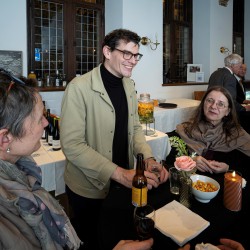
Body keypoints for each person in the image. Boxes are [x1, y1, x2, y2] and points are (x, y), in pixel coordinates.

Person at [60, 28, 168, 249]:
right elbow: (72, 145)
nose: (133, 61)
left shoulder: (129, 84)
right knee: (91, 240)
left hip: (122, 184)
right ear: (107, 52)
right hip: (89, 188)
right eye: (126, 54)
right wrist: (121, 174)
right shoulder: (78, 88)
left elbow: (135, 127)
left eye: (136, 55)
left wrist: (147, 158)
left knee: (116, 236)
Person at [0, 70, 82, 249]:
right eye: (39, 119)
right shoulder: (6, 215)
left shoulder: (22, 170)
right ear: (5, 138)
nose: (46, 123)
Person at [166, 86, 250, 174]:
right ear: (203, 104)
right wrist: (191, 161)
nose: (213, 106)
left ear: (227, 111)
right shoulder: (186, 129)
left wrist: (228, 168)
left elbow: (245, 165)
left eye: (220, 104)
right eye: (209, 100)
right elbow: (169, 160)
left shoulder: (237, 134)